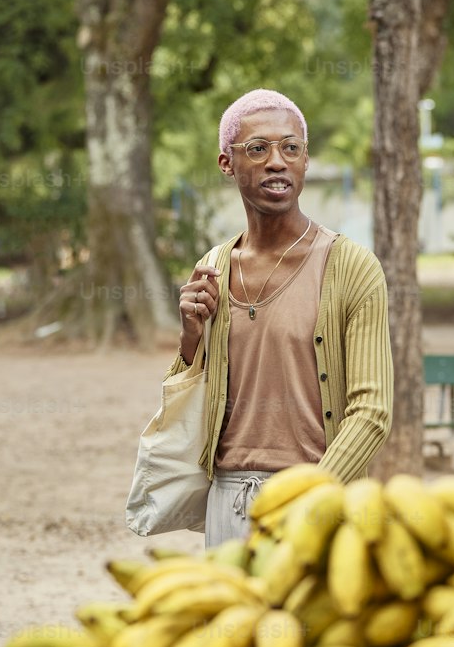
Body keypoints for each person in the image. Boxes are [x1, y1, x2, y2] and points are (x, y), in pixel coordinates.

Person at [168, 88, 393, 546]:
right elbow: (188, 407)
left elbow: (372, 412)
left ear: (305, 162)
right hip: (228, 501)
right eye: (258, 148)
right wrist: (190, 341)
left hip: (320, 498)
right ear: (227, 164)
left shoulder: (351, 267)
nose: (277, 161)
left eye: (291, 148)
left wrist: (312, 499)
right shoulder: (213, 265)